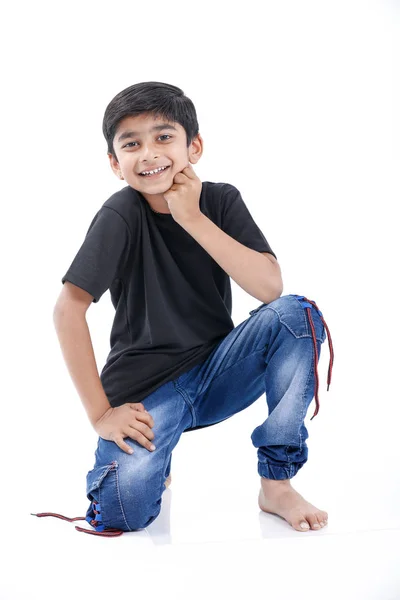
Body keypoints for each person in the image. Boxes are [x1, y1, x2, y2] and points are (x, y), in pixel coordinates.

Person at [32, 82, 334, 537]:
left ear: (194, 146)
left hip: (217, 371)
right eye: (131, 144)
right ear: (115, 164)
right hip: (146, 394)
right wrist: (100, 414)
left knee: (297, 316)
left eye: (163, 137)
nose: (149, 153)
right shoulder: (120, 214)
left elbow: (270, 288)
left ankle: (276, 484)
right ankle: (160, 455)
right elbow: (67, 310)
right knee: (121, 513)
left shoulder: (220, 200)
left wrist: (190, 216)